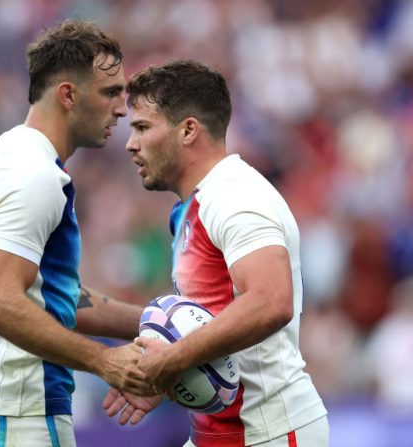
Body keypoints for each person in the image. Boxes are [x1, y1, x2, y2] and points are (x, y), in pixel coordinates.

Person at [0, 20, 153, 447]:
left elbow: (48, 296)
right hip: (14, 413)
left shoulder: (2, 157)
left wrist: (157, 323)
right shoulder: (34, 178)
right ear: (68, 95)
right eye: (111, 92)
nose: (121, 110)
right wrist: (103, 361)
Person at [104, 60, 329, 446]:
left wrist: (171, 360)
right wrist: (172, 371)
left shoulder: (236, 197)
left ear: (188, 129)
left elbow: (272, 302)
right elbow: (211, 319)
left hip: (268, 431)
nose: (130, 143)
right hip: (217, 433)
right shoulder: (194, 207)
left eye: (142, 127)